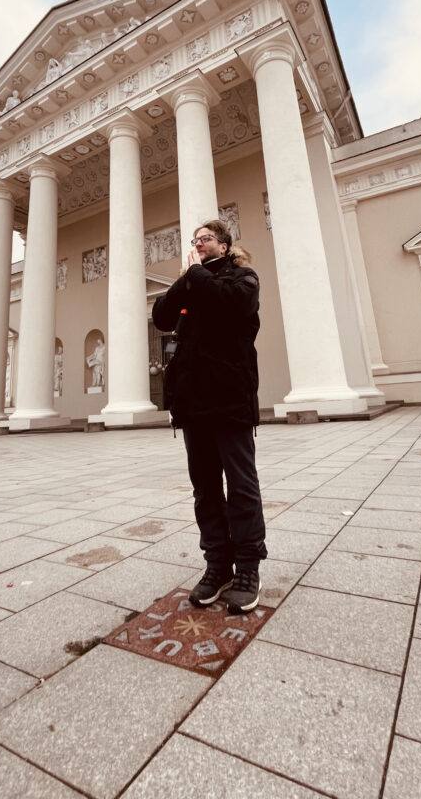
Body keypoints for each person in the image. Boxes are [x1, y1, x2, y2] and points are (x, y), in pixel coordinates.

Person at [152, 219, 267, 613]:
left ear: (224, 245)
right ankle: (218, 565)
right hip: (193, 404)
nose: (198, 243)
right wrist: (186, 278)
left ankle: (248, 568)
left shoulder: (243, 279)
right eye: (195, 239)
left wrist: (196, 274)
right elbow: (161, 316)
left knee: (241, 486)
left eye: (206, 239)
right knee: (205, 490)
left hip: (230, 399)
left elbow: (231, 303)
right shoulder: (192, 282)